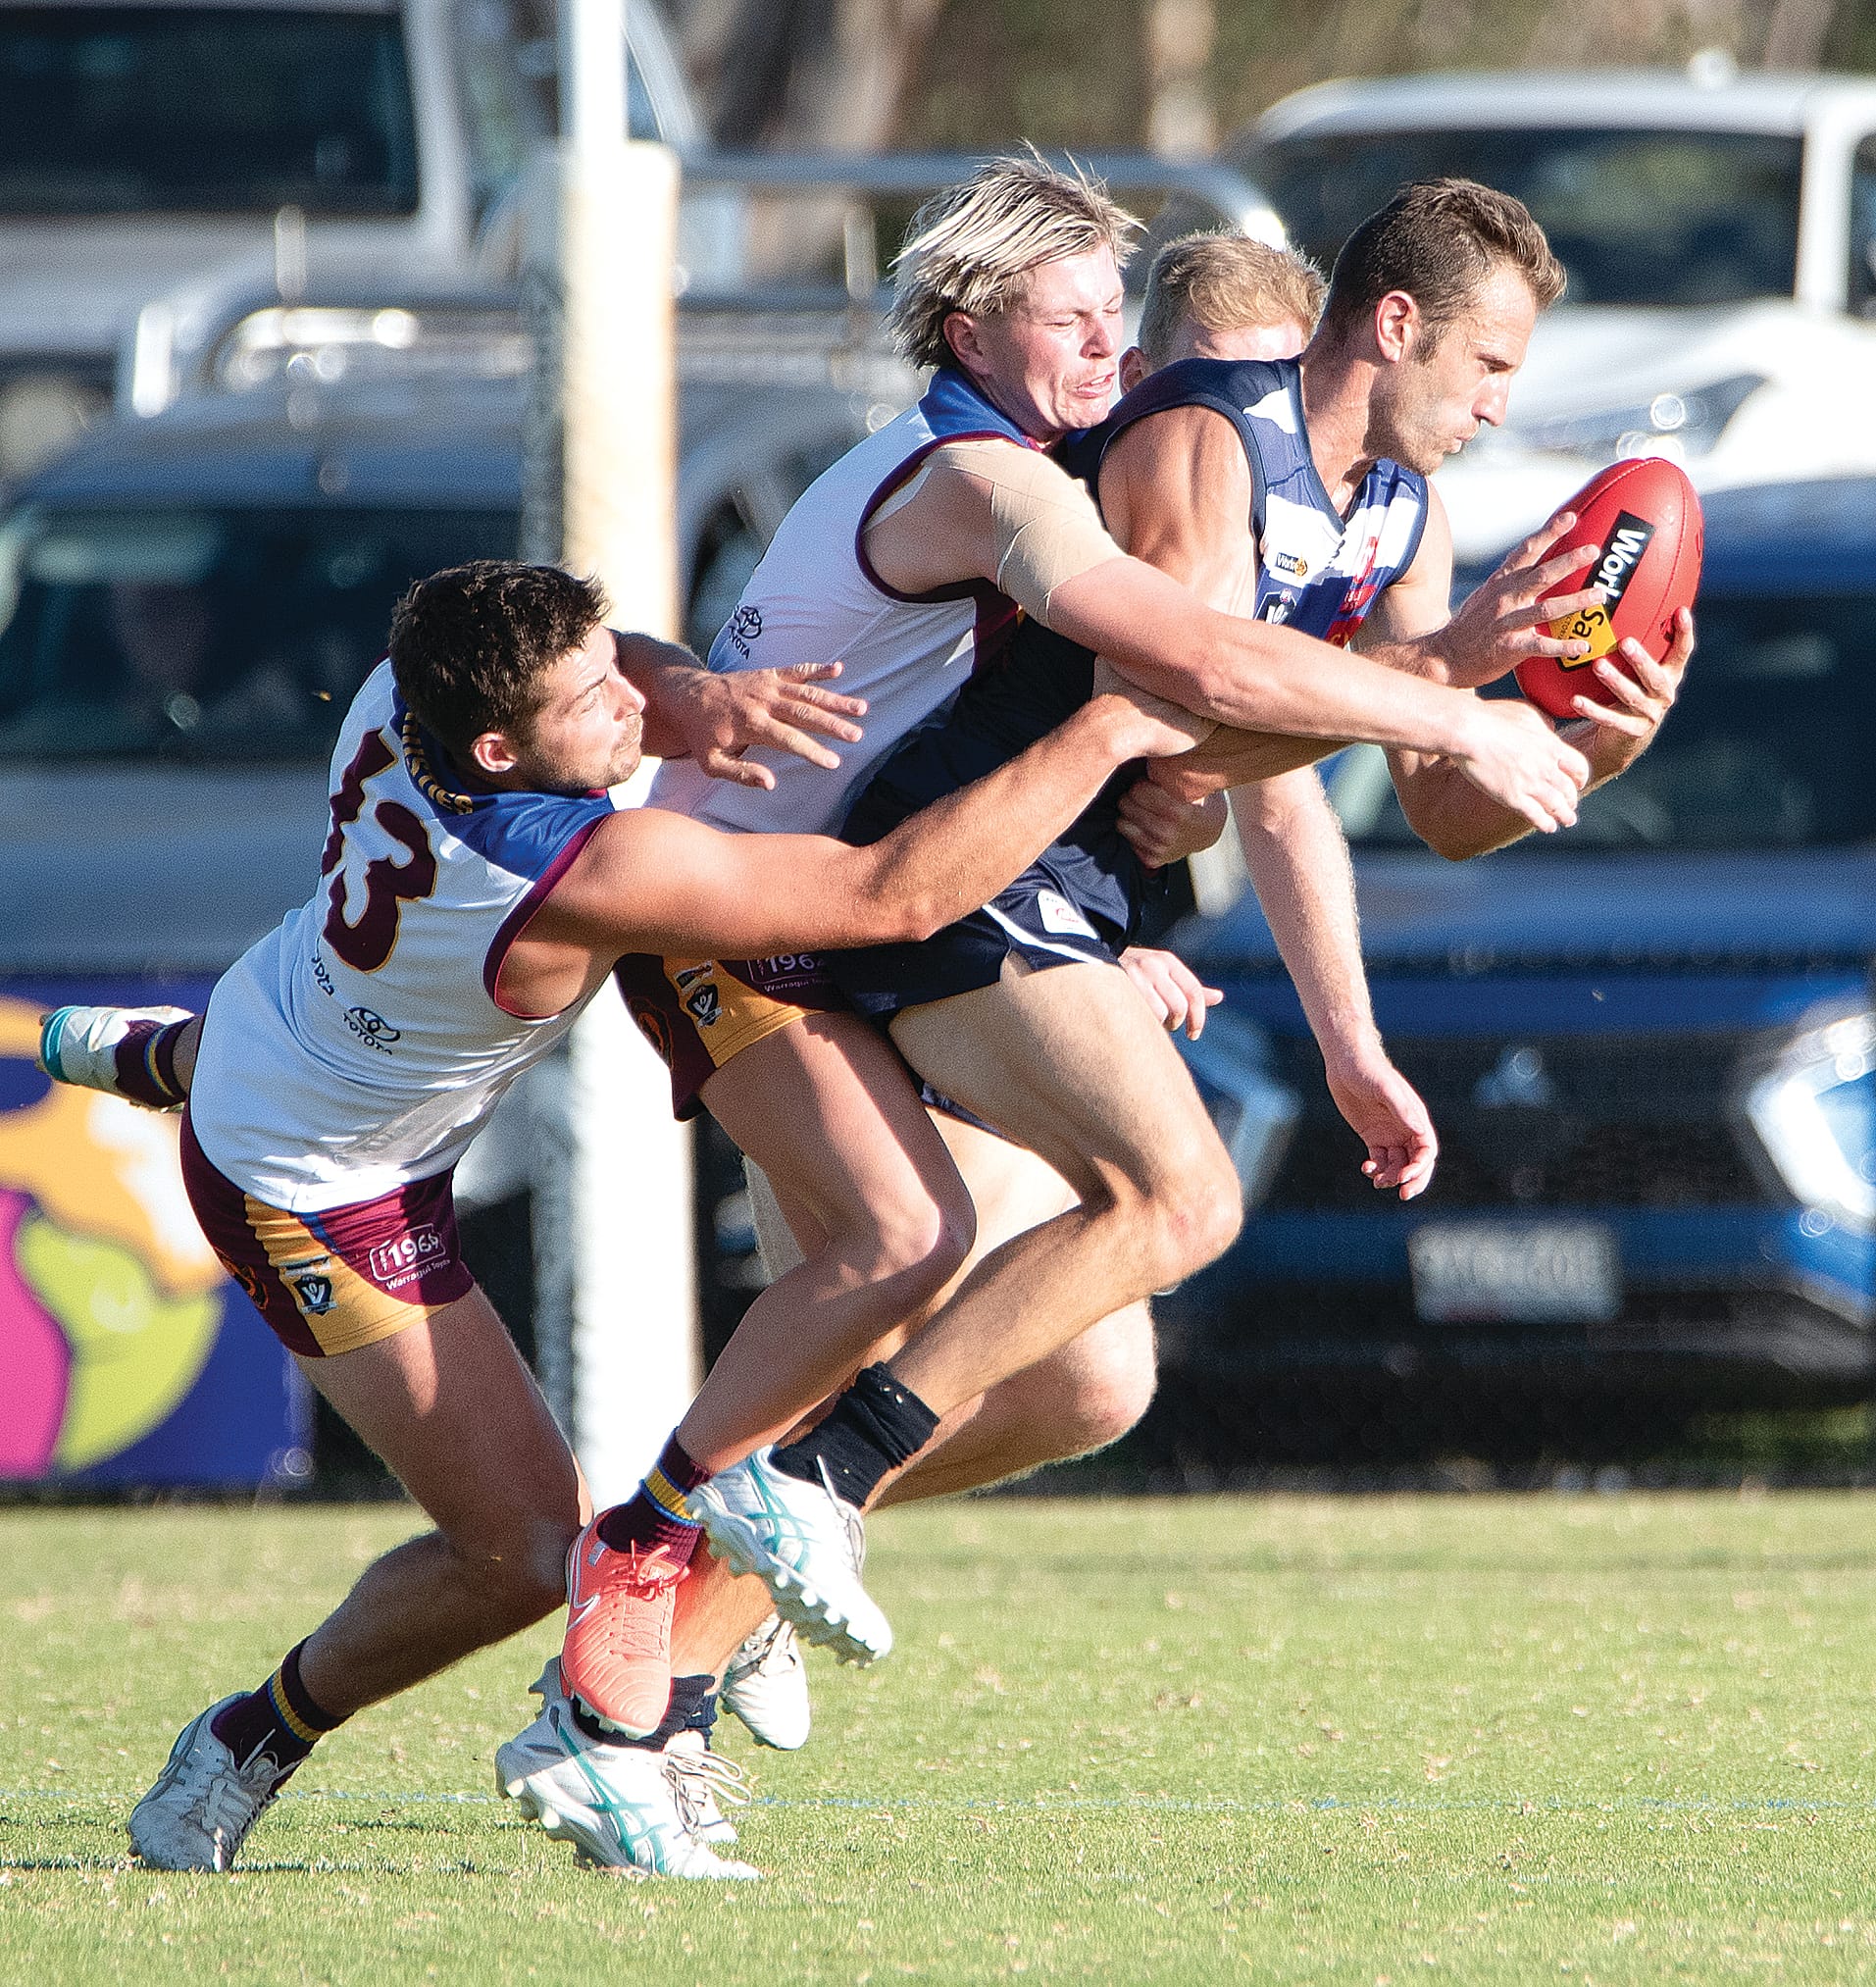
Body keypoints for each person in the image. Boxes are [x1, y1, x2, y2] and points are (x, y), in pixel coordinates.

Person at [553, 160, 1599, 1745]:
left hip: (897, 894)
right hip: (758, 914)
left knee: (1089, 1376)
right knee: (955, 1239)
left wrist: (1573, 732)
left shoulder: (1290, 489)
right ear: (971, 332)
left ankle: (702, 1606)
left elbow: (1256, 754)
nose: (1121, 352)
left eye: (1124, 314)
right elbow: (1187, 678)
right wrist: (1439, 691)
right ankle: (681, 1555)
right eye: (1083, 318)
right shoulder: (1012, 476)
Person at [39, 557, 1204, 1879]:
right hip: (313, 1190)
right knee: (524, 1556)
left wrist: (683, 682)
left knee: (319, 1038)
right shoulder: (566, 870)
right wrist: (1103, 732)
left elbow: (616, 663)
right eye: (593, 701)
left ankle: (167, 1055)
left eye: (611, 674)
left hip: (302, 1014)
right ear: (500, 751)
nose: (628, 709)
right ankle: (247, 1738)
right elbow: (892, 896)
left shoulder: (410, 689)